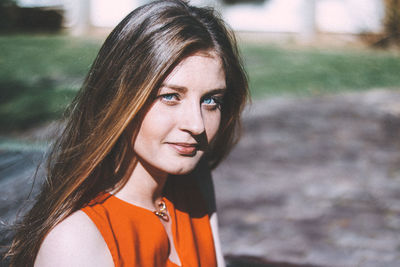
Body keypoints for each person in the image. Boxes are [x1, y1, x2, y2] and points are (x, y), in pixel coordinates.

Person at [7, 0, 248, 266]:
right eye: (170, 96)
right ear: (121, 97)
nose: (197, 125)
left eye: (211, 100)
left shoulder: (193, 180)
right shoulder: (77, 242)